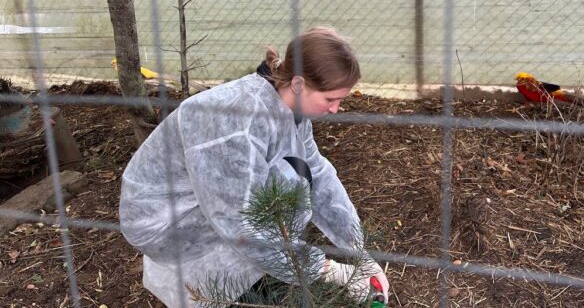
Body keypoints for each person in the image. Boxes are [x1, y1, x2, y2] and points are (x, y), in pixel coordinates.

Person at [119, 27, 390, 307]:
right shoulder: (237, 125)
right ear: (298, 84)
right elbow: (239, 222)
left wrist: (359, 251)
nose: (336, 109)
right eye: (330, 99)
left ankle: (271, 270)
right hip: (167, 222)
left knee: (294, 178)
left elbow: (318, 174)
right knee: (278, 196)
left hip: (215, 205)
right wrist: (328, 270)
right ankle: (243, 284)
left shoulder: (290, 109)